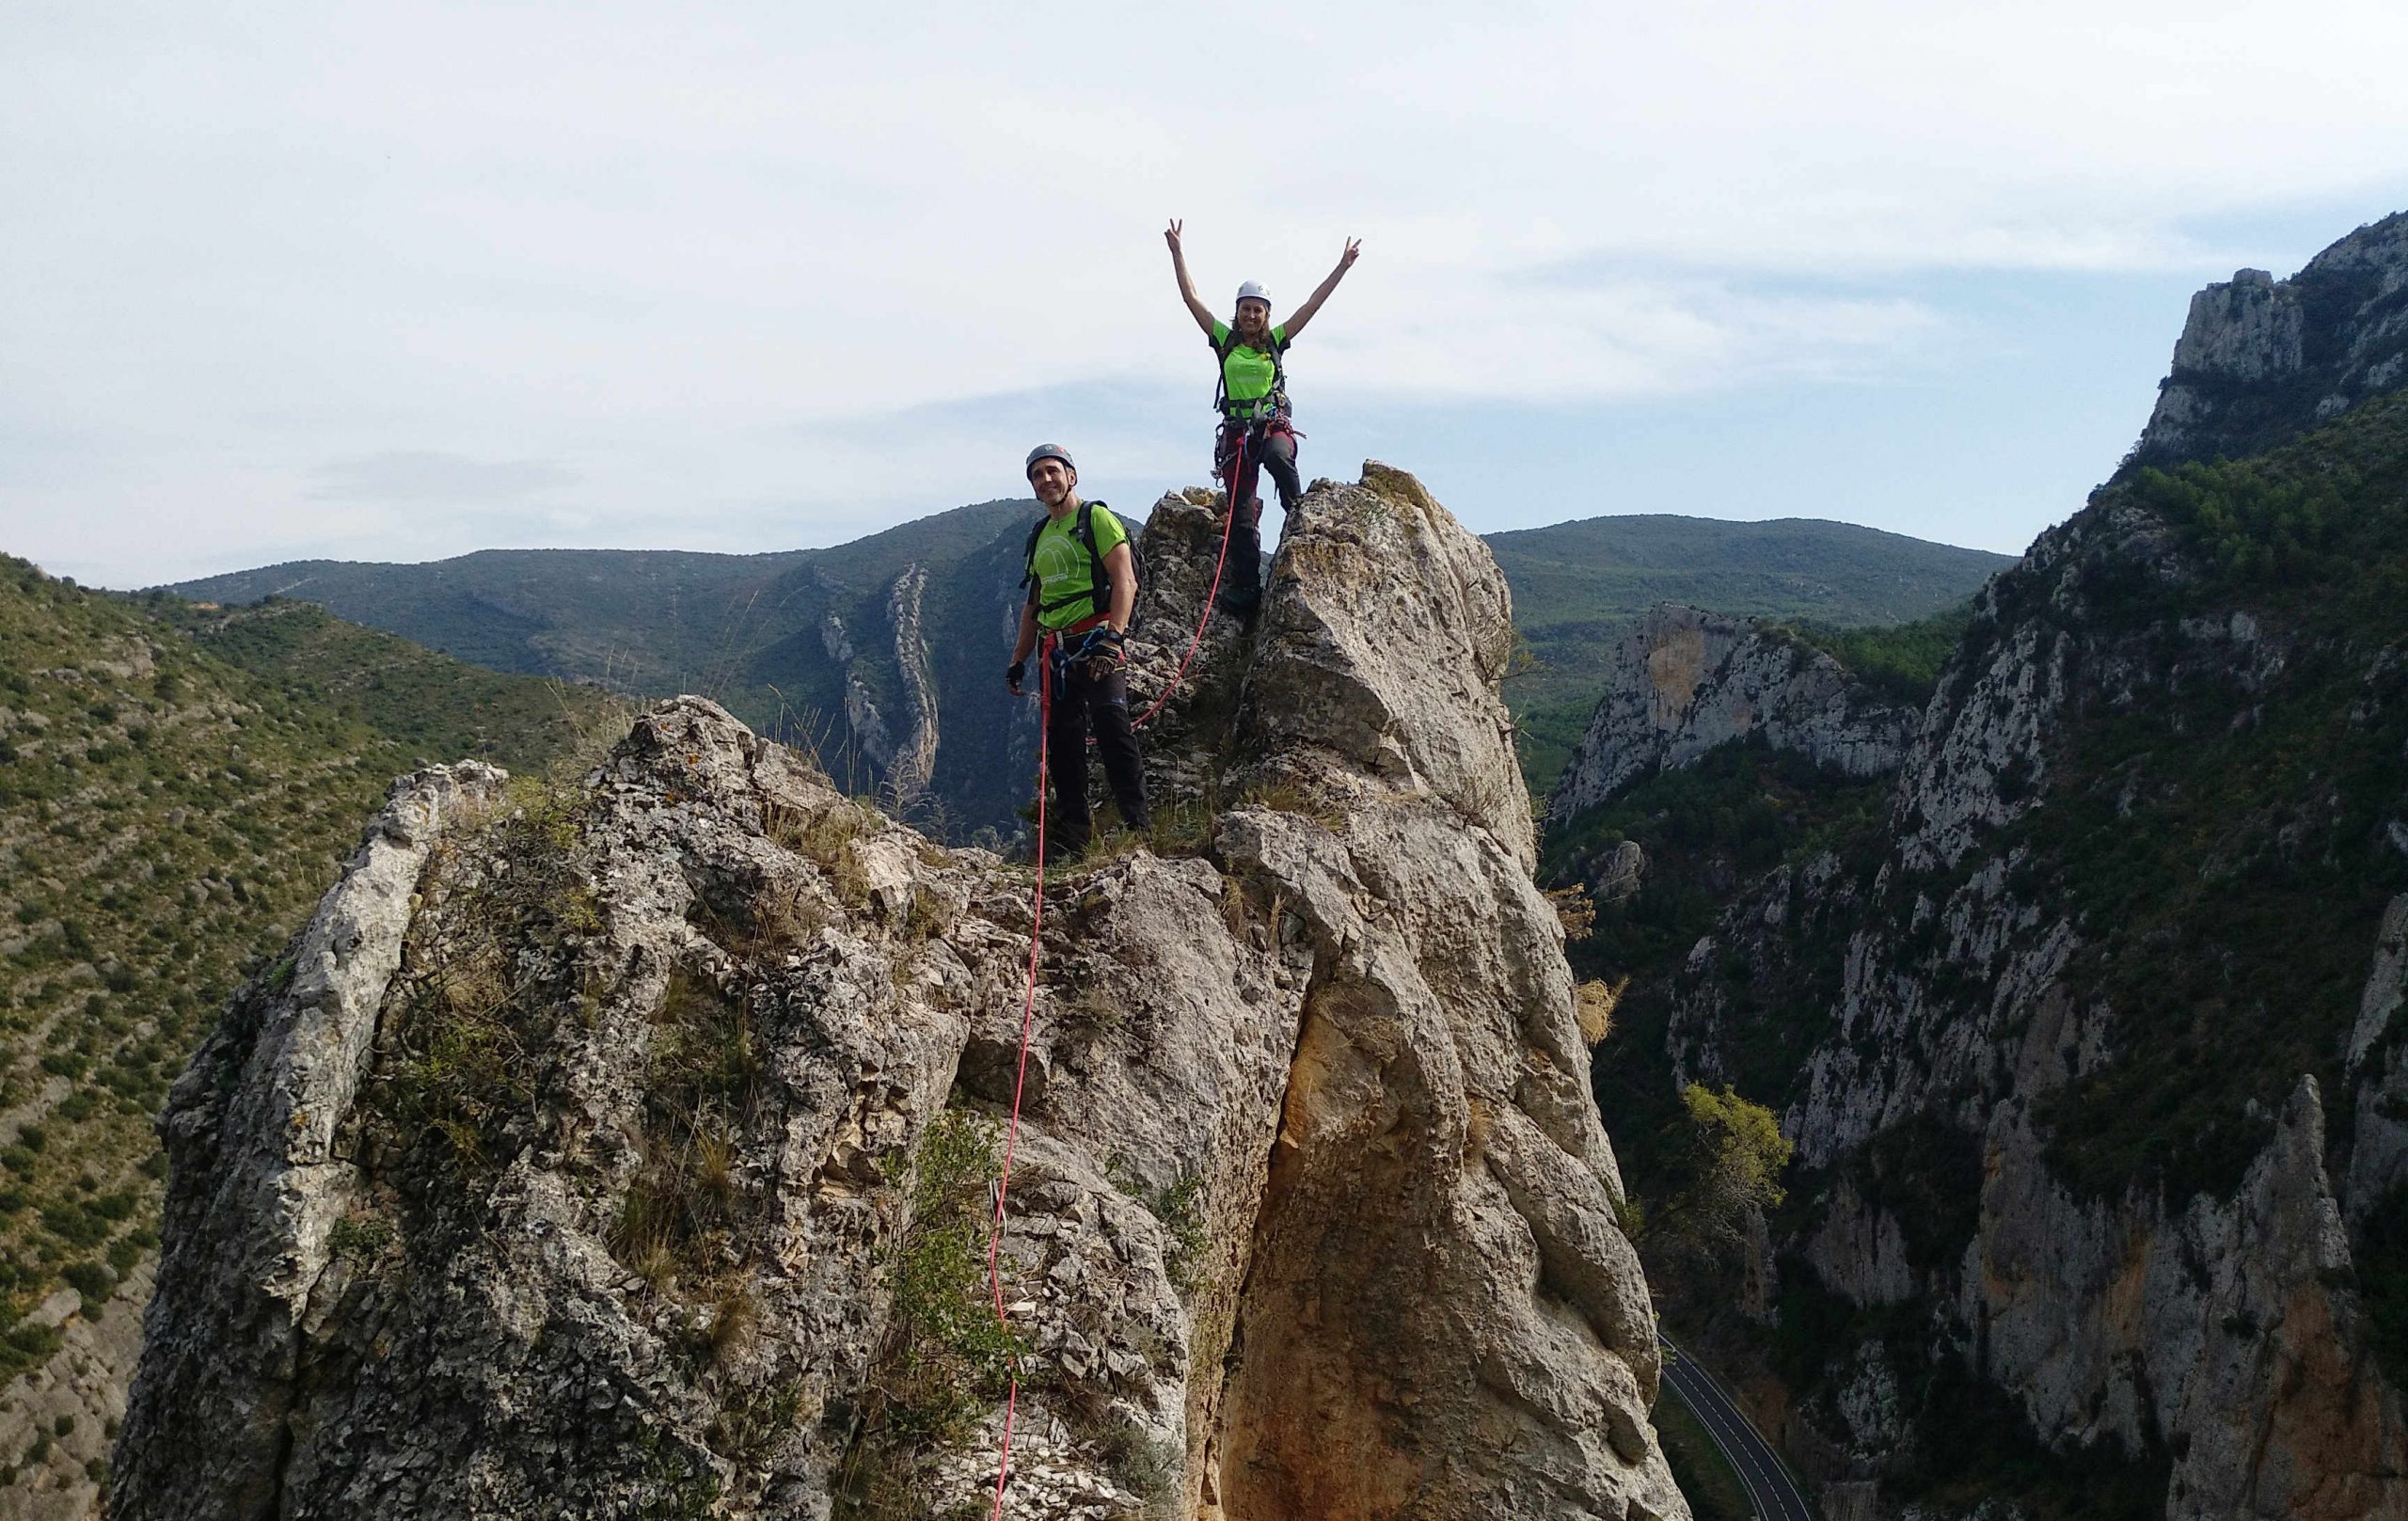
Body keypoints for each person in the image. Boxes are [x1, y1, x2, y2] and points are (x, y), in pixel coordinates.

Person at [1164, 220, 1361, 610]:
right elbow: (1191, 299)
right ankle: (1248, 587)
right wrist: (1177, 252)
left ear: (1266, 314)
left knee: (1276, 455)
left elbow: (1312, 305)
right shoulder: (1225, 341)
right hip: (1237, 432)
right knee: (1239, 512)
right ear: (1236, 313)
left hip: (1271, 424)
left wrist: (1342, 267)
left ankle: (1299, 513)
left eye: (1257, 310)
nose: (1251, 315)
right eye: (1246, 309)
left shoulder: (1276, 342)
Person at [1006, 443, 1150, 858]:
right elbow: (1034, 605)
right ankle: (1074, 841)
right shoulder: (1039, 535)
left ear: (1071, 475)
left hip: (1096, 640)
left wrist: (1114, 637)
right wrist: (1018, 660)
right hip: (1055, 651)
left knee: (1113, 729)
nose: (1046, 480)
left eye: (1052, 471)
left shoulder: (1096, 518)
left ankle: (1138, 830)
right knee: (1064, 747)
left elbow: (1125, 581)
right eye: (1037, 475)